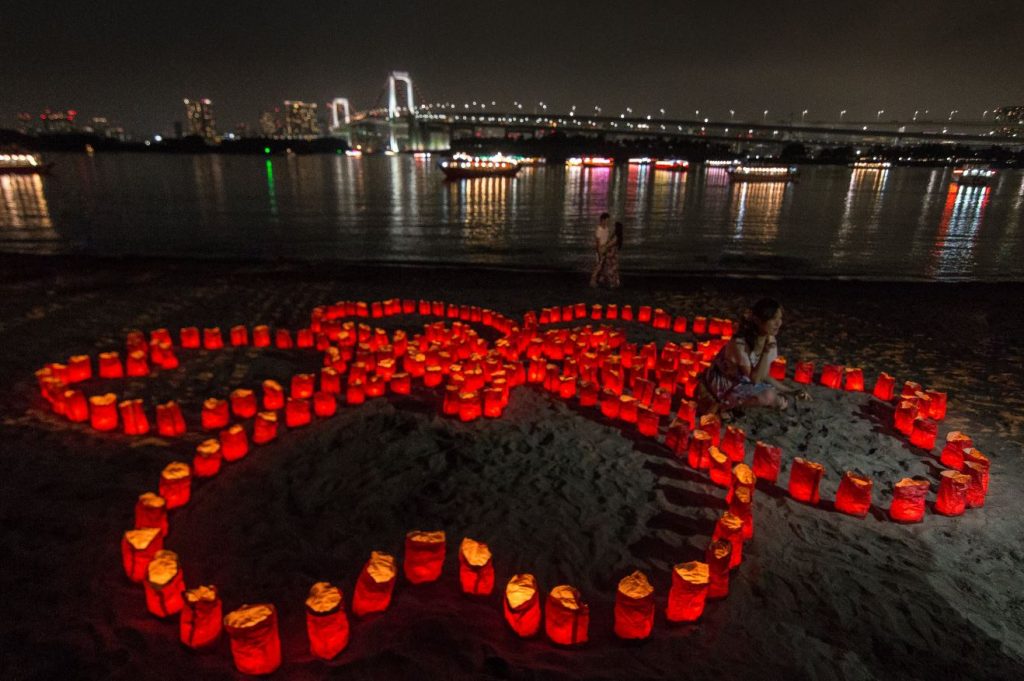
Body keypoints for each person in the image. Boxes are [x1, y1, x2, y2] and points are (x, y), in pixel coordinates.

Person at [699, 298, 809, 414]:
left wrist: (790, 391)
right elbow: (755, 379)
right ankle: (723, 405)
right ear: (757, 320)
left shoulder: (770, 339)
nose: (778, 323)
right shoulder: (740, 344)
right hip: (725, 383)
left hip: (744, 379)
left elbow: (764, 375)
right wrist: (765, 353)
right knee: (769, 396)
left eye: (780, 318)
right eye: (773, 319)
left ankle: (740, 402)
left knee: (777, 399)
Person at [589, 213, 621, 288]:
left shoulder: (606, 228)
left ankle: (601, 279)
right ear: (602, 220)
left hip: (605, 249)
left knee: (603, 266)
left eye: (608, 221)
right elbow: (597, 242)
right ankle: (592, 281)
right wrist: (599, 252)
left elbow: (607, 239)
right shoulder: (599, 230)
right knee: (598, 266)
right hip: (600, 250)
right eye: (606, 220)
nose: (607, 222)